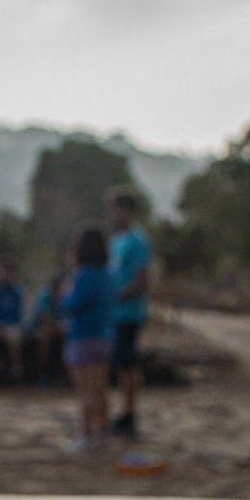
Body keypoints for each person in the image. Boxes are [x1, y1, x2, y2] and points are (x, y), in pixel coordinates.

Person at [61, 225, 115, 453]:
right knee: (100, 390)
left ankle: (86, 434)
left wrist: (65, 292)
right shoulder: (109, 275)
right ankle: (101, 433)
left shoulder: (83, 275)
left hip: (82, 337)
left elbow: (71, 305)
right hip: (103, 337)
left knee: (85, 392)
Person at [107, 185, 152, 437]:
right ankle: (123, 412)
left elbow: (142, 279)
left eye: (117, 210)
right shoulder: (115, 240)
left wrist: (117, 296)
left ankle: (130, 414)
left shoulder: (138, 240)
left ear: (128, 211)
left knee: (128, 364)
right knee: (121, 365)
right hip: (114, 314)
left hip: (129, 313)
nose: (114, 215)